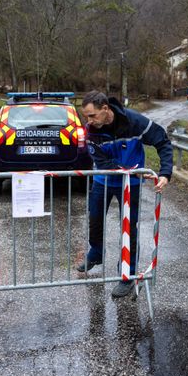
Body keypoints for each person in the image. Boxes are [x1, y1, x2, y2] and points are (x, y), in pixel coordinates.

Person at [77, 90, 173, 297]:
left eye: (92, 115)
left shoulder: (134, 122)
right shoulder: (91, 130)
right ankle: (96, 253)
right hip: (102, 180)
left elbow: (162, 141)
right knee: (95, 219)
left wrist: (165, 173)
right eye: (86, 116)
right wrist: (126, 170)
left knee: (129, 228)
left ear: (105, 109)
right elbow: (101, 161)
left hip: (131, 185)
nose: (89, 121)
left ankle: (127, 275)